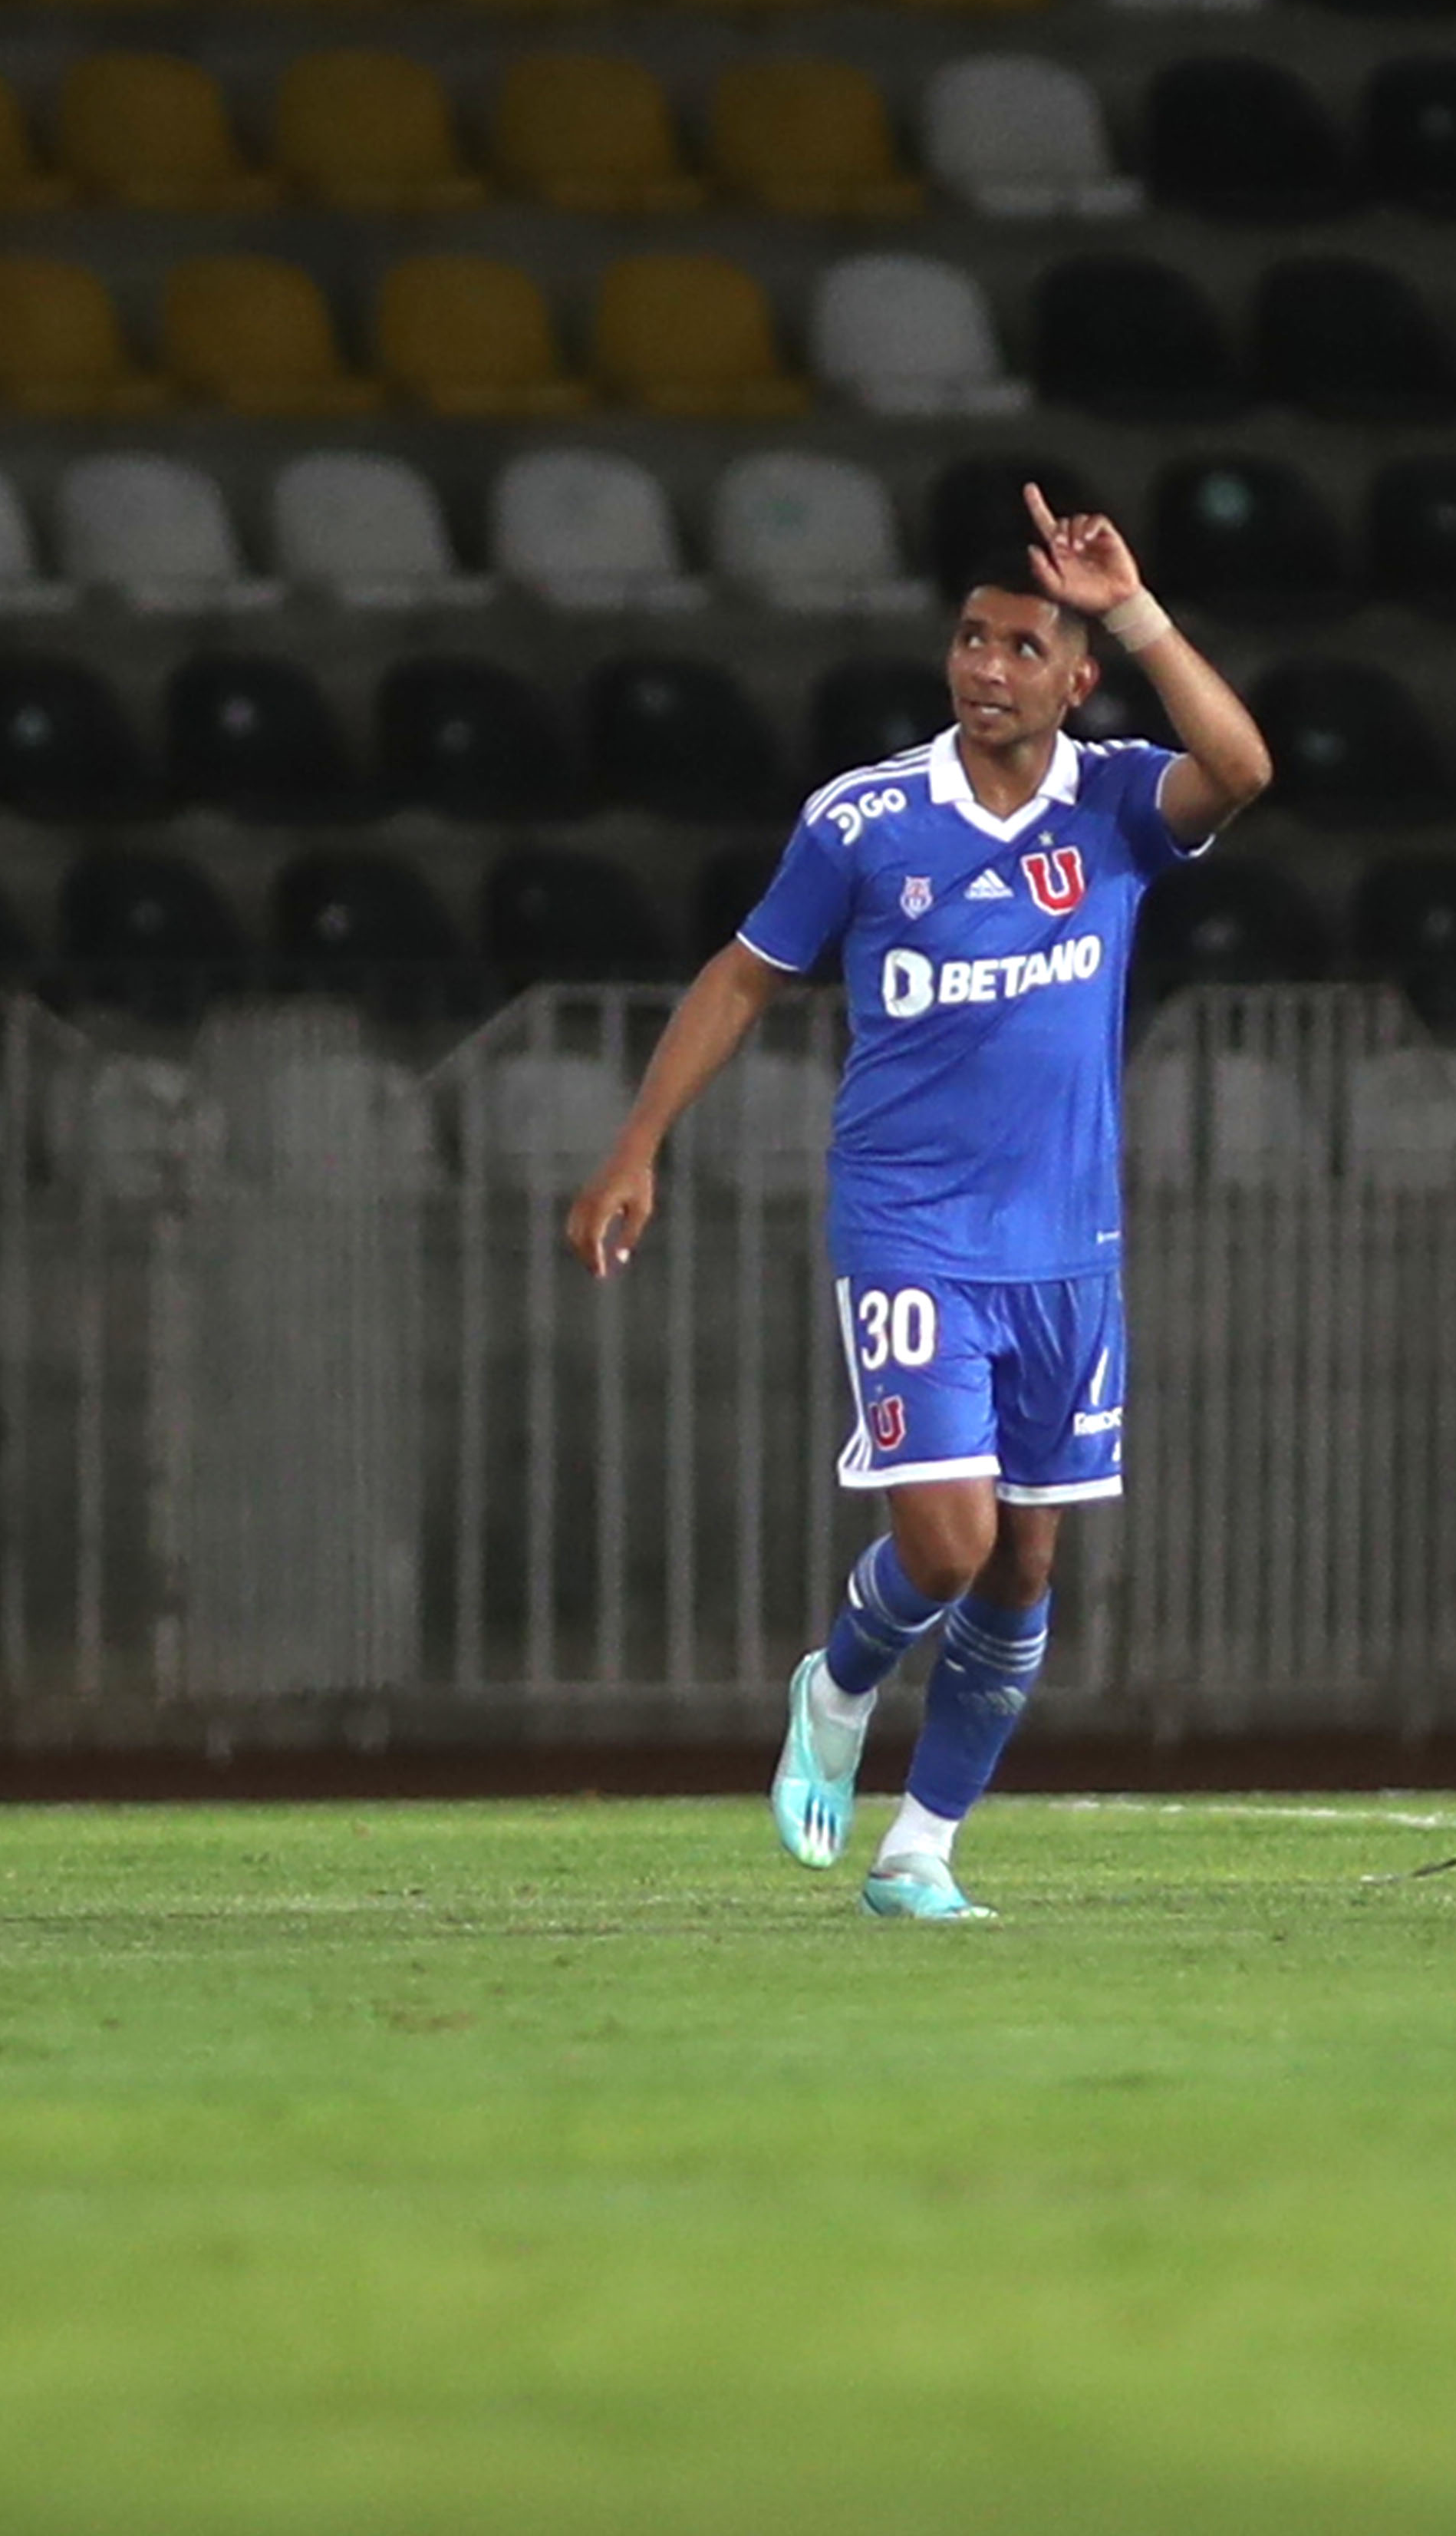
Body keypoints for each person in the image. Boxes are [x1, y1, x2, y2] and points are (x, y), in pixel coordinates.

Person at [565, 486, 1271, 1921]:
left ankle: (922, 1850)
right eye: (971, 638)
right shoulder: (867, 818)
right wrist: (639, 1139)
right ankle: (835, 1682)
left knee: (1021, 1565)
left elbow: (1244, 766)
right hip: (910, 1225)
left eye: (1021, 647)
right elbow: (743, 973)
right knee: (944, 1543)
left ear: (1077, 678)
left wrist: (1132, 605)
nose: (984, 667)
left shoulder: (1119, 804)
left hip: (1066, 1245)